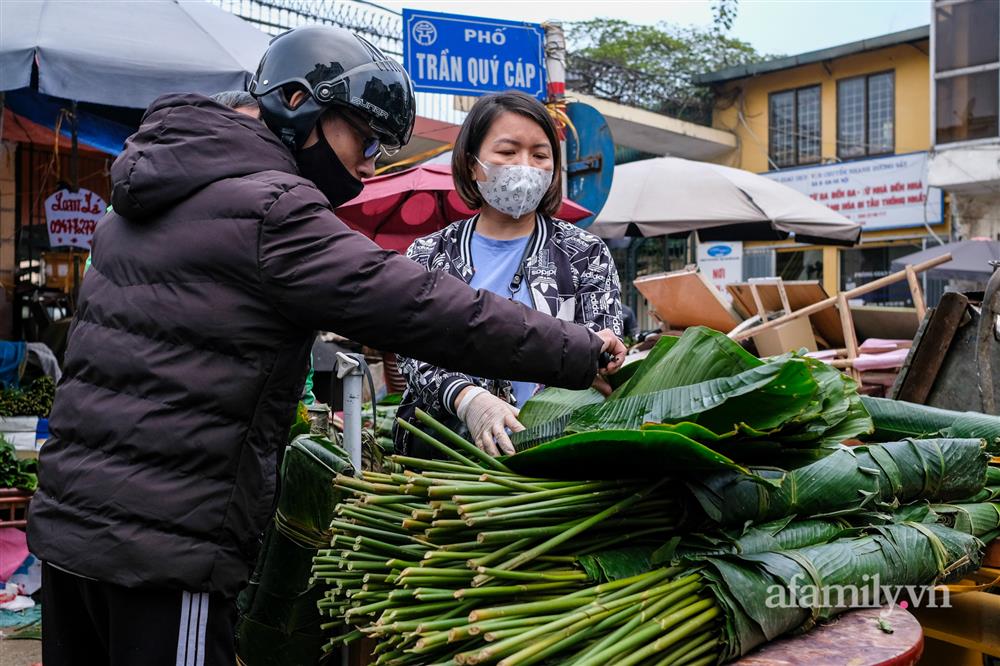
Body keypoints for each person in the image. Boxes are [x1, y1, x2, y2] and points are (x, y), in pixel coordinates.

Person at [27, 25, 625, 666]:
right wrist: (579, 350)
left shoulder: (133, 210)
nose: (370, 164)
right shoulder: (272, 209)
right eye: (364, 139)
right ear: (297, 103)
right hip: (161, 549)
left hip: (71, 532)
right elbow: (420, 307)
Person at [395, 91, 623, 458]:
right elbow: (412, 351)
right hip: (449, 457)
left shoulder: (585, 253)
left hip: (557, 457)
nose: (525, 166)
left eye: (539, 155)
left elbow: (601, 363)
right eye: (507, 152)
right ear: (472, 164)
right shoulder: (430, 254)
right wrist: (469, 400)